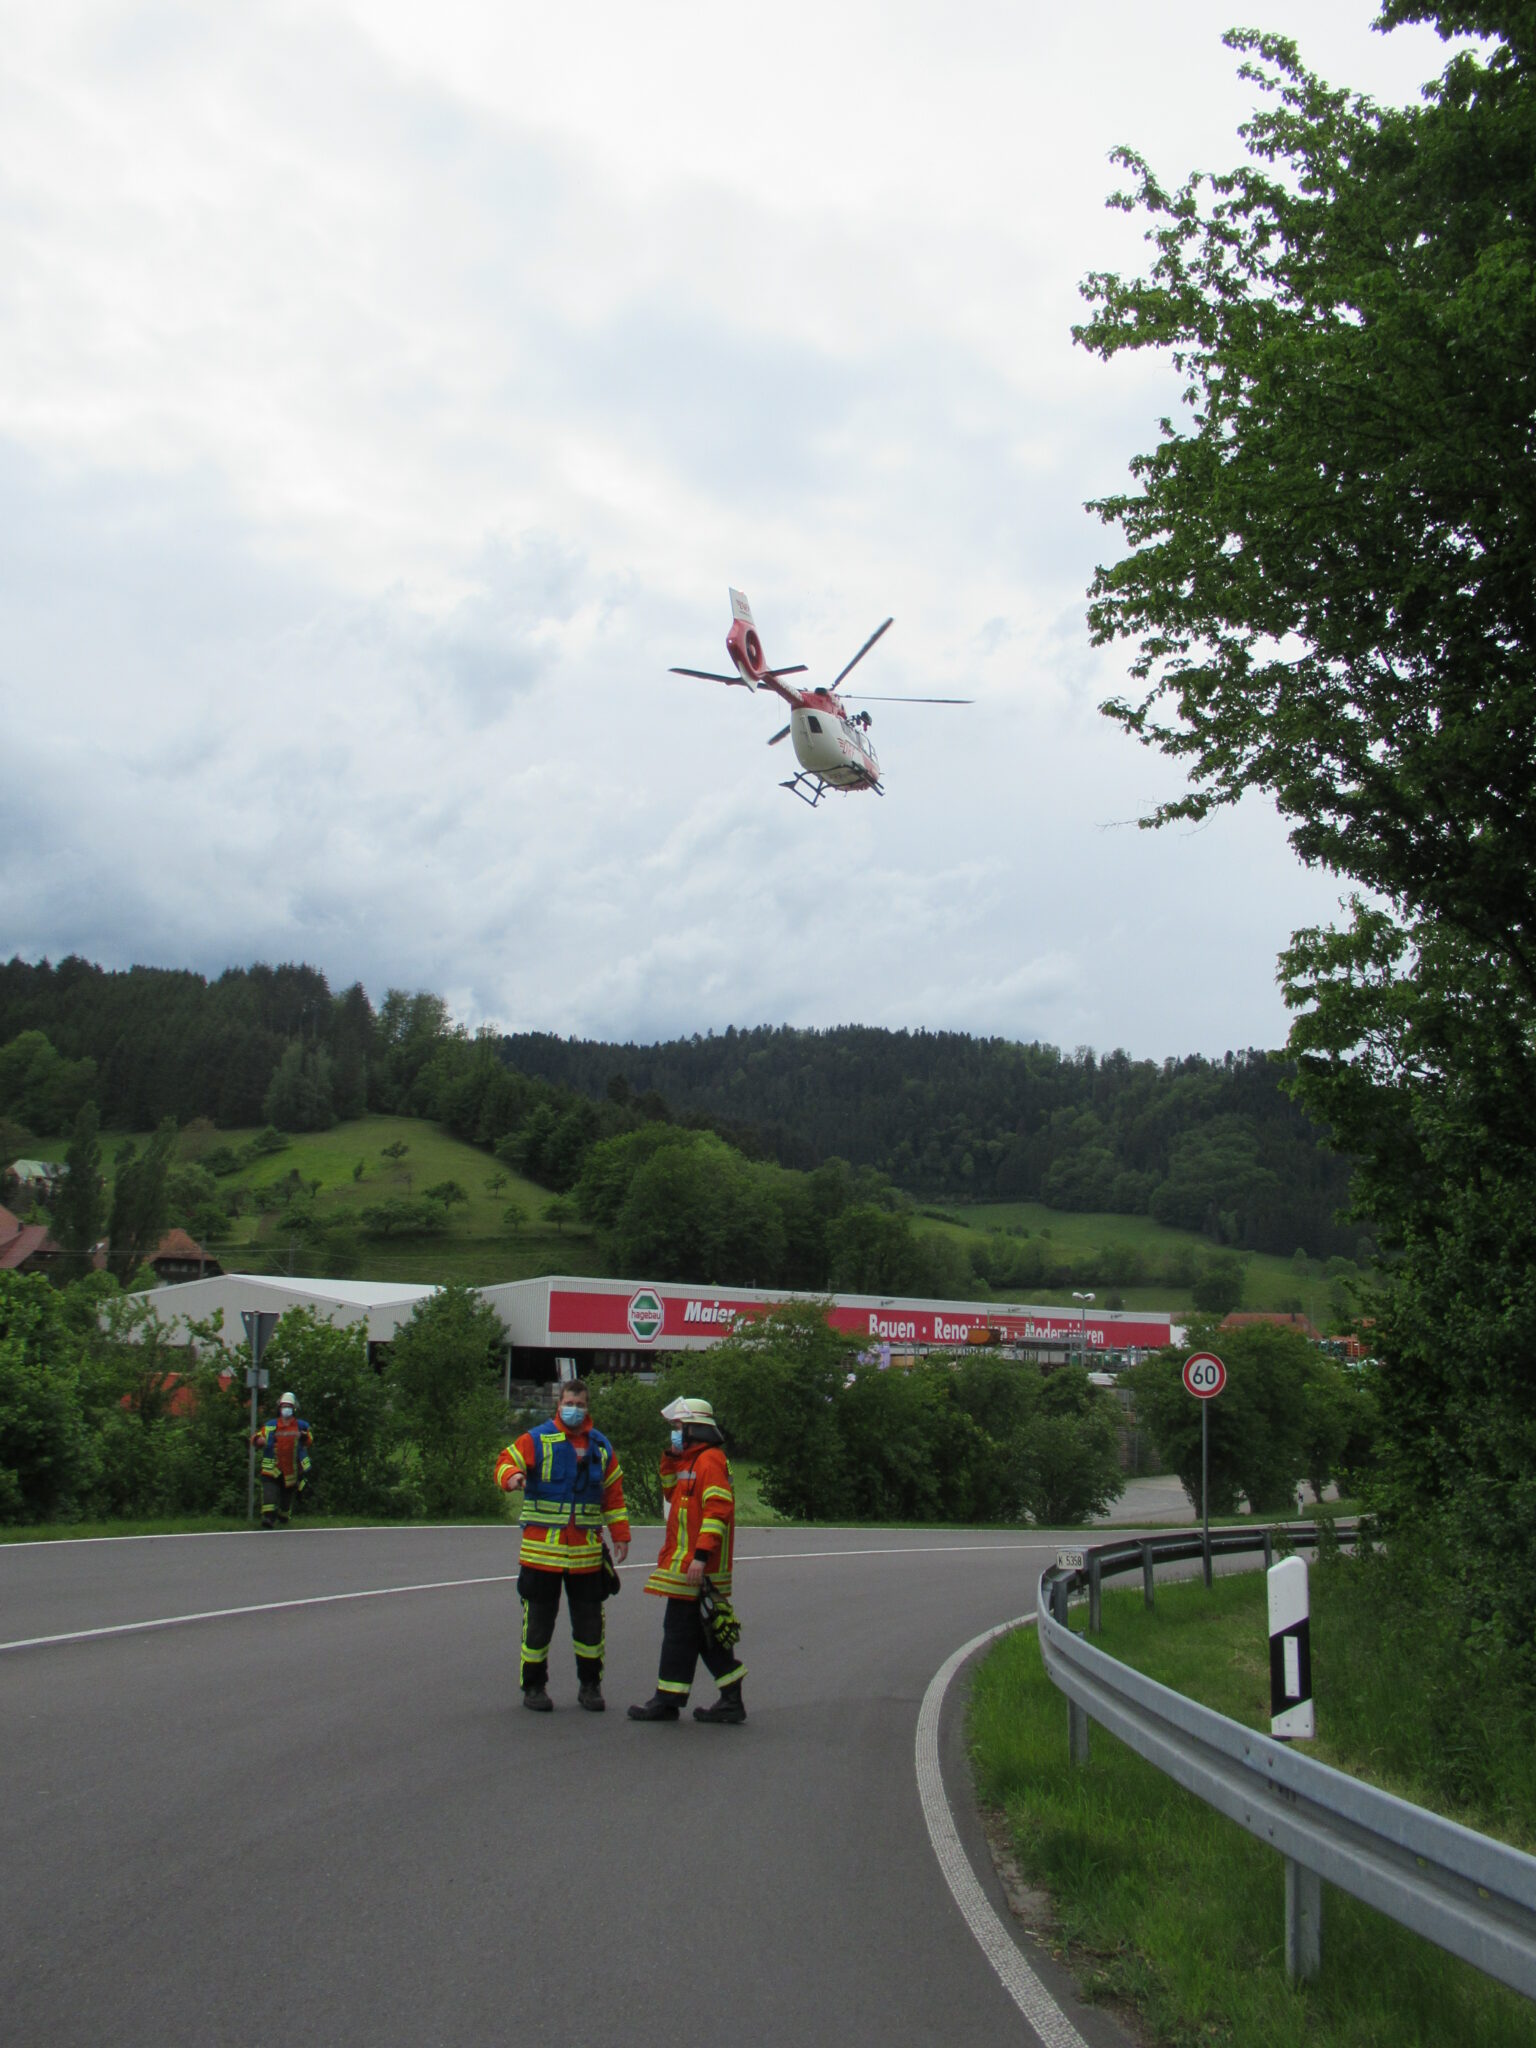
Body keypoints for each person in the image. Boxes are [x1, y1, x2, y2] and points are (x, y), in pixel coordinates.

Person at [494, 1378, 630, 1713]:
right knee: (538, 1625)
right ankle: (534, 1687)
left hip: (586, 1555)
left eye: (580, 1405)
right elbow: (505, 1461)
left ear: (588, 1407)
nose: (574, 1410)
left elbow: (613, 1494)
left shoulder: (600, 1446)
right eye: (569, 1404)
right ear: (559, 1405)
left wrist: (620, 1534)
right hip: (541, 1555)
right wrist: (512, 1477)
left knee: (590, 1626)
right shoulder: (537, 1438)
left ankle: (590, 1686)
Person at [629, 1396, 746, 1725]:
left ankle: (667, 1701)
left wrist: (701, 1556)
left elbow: (717, 1511)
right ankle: (728, 1699)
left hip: (697, 1566)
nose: (675, 1432)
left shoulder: (709, 1461)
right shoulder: (690, 1462)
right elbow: (671, 1492)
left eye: (679, 1427)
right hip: (689, 1565)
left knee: (680, 1632)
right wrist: (670, 1457)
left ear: (694, 1428)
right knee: (703, 1634)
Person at [252, 1391, 313, 1529]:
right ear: (279, 1408)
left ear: (294, 1408)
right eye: (284, 1406)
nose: (286, 1409)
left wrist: (304, 1437)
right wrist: (258, 1440)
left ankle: (284, 1517)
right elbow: (256, 1438)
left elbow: (309, 1440)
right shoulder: (270, 1425)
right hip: (271, 1470)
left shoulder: (301, 1426)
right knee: (269, 1495)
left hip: (291, 1471)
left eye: (289, 1406)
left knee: (286, 1498)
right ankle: (269, 1518)